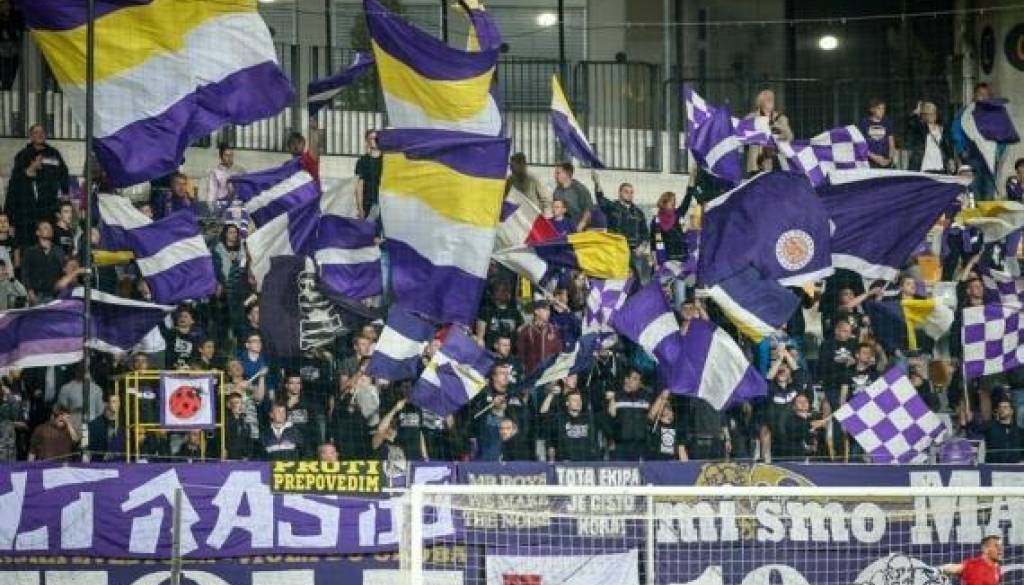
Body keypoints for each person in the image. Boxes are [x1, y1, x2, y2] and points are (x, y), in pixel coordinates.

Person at [8, 124, 68, 247]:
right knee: (29, 243)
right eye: (36, 132)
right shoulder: (23, 155)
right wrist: (31, 169)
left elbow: (64, 175)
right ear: (31, 136)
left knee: (49, 241)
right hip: (29, 210)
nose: (40, 135)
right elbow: (16, 182)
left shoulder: (54, 154)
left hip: (50, 207)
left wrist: (65, 193)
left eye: (42, 132)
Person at [595, 175, 649, 283]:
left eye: (631, 192)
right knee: (615, 280)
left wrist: (642, 247)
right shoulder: (612, 207)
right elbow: (600, 199)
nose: (629, 194)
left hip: (634, 252)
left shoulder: (638, 213)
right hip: (616, 250)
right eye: (626, 192)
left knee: (641, 281)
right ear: (620, 193)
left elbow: (645, 233)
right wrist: (597, 183)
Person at [606, 368, 653, 460]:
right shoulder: (616, 396)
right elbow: (610, 417)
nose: (638, 382)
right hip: (620, 447)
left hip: (640, 447)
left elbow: (651, 417)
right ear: (626, 380)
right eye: (635, 378)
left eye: (639, 379)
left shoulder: (645, 397)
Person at [744, 89, 793, 174]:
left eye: (772, 99)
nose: (771, 101)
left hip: (776, 162)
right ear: (760, 102)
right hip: (756, 164)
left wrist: (779, 130)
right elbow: (742, 136)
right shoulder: (750, 118)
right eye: (767, 99)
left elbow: (790, 137)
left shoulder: (781, 118)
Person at [20, 220, 65, 305]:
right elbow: (25, 274)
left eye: (50, 228)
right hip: (36, 295)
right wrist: (30, 292)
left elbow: (63, 272)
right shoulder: (30, 252)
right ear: (37, 232)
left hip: (56, 296)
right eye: (45, 228)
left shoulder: (59, 251)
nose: (49, 230)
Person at [516, 300, 564, 374]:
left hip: (550, 374)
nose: (548, 312)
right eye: (545, 309)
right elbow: (521, 355)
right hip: (532, 374)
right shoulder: (526, 331)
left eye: (549, 310)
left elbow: (559, 352)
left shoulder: (554, 330)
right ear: (536, 311)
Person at [906, 101, 954, 174]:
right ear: (924, 115)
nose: (933, 116)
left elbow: (947, 146)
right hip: (925, 164)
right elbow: (910, 123)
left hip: (940, 164)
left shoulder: (941, 128)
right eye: (929, 114)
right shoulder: (921, 127)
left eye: (934, 113)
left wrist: (950, 158)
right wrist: (916, 113)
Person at [938, 535, 1003, 585]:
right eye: (996, 546)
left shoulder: (997, 568)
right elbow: (947, 569)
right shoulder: (973, 565)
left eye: (1001, 546)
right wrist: (940, 570)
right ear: (985, 549)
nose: (1000, 549)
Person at [979, 397, 1024, 464]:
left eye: (1005, 407)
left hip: (1015, 468)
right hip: (993, 467)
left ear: (1011, 411)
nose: (1002, 409)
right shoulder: (989, 427)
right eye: (1000, 407)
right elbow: (975, 434)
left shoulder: (1020, 432)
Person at [552, 162, 594, 231]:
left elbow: (588, 210)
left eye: (558, 173)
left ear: (567, 174)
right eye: (555, 173)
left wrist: (580, 226)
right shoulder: (557, 191)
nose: (555, 176)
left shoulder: (580, 189)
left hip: (580, 229)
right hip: (564, 229)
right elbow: (556, 211)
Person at [205, 145, 244, 213]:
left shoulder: (240, 170)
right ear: (220, 157)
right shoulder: (215, 172)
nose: (229, 158)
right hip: (221, 204)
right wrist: (211, 207)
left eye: (231, 155)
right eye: (226, 155)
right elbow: (212, 191)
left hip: (237, 204)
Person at [859, 98, 896, 169]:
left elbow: (891, 143)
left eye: (883, 108)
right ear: (872, 109)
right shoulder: (864, 123)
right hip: (869, 162)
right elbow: (860, 144)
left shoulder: (887, 122)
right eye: (879, 108)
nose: (882, 111)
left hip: (885, 161)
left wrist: (889, 159)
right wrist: (874, 157)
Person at [354, 130, 382, 219]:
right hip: (368, 204)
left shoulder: (387, 160)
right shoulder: (362, 161)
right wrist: (360, 208)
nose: (374, 140)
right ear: (367, 141)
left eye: (376, 138)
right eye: (371, 138)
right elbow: (359, 186)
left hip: (385, 204)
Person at [287, 118, 320, 186]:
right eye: (293, 143)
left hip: (312, 191)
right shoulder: (287, 165)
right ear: (288, 148)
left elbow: (314, 142)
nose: (296, 145)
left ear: (304, 144)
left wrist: (313, 128)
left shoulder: (310, 157)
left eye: (298, 142)